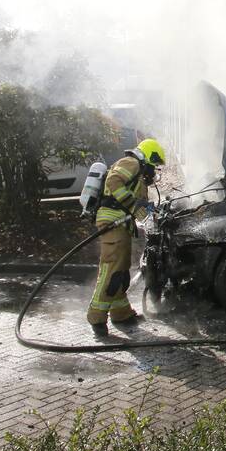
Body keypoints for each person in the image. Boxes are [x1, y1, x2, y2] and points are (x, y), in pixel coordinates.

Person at [87, 137, 166, 337]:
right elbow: (113, 182)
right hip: (112, 222)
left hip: (122, 224)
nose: (153, 171)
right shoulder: (130, 163)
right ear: (147, 158)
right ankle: (96, 317)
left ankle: (121, 313)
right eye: (153, 166)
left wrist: (156, 215)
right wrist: (132, 204)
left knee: (121, 271)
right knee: (110, 270)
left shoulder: (139, 175)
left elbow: (140, 209)